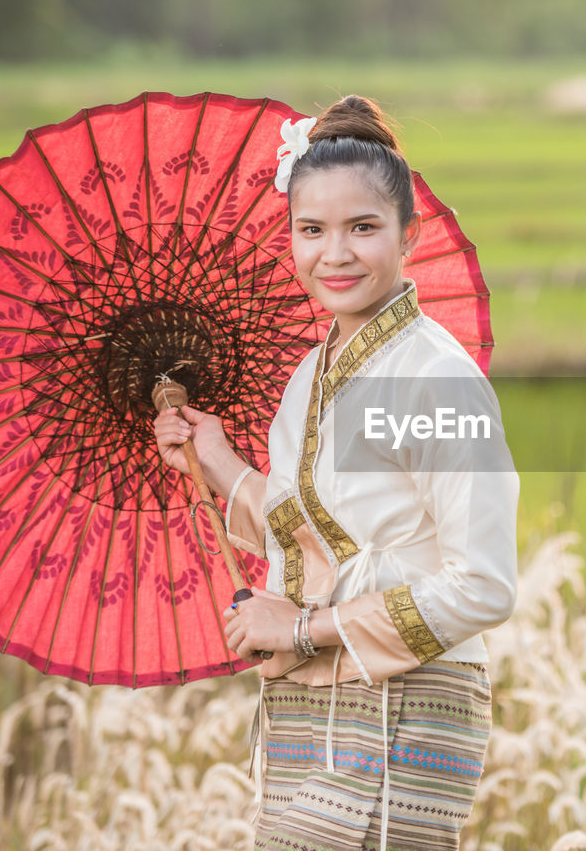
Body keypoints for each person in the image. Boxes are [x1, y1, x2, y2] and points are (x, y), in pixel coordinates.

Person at [154, 95, 518, 850]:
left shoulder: (435, 380)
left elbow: (484, 583)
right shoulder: (309, 377)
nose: (336, 254)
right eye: (311, 230)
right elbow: (316, 528)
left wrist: (303, 627)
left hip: (406, 705)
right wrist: (214, 459)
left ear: (409, 235)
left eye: (363, 228)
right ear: (289, 237)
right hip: (309, 711)